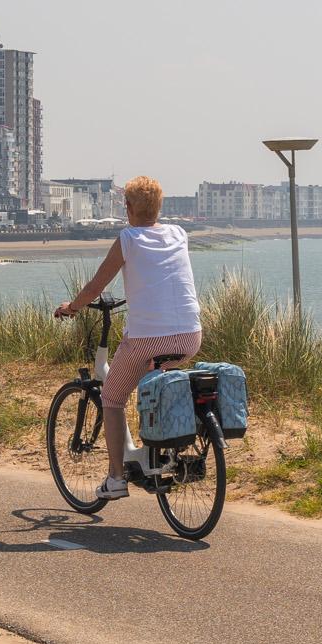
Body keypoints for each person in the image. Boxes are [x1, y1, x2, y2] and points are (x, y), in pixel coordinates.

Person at [55, 176, 201, 501]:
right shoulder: (179, 233)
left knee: (112, 396)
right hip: (191, 336)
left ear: (128, 207)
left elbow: (95, 287)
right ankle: (158, 454)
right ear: (160, 206)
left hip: (148, 340)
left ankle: (116, 478)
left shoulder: (128, 238)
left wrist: (72, 307)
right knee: (156, 386)